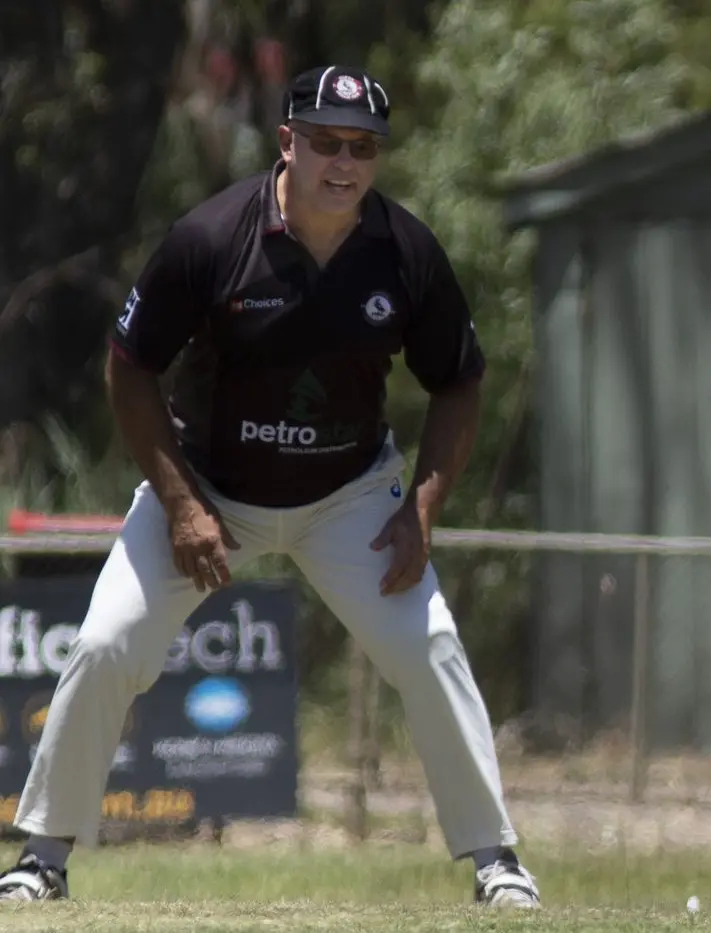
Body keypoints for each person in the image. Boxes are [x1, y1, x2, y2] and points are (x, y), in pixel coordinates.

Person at [0, 65, 540, 909]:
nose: (344, 162)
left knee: (428, 647)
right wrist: (180, 504)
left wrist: (420, 513)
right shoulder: (211, 239)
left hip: (351, 496)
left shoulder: (405, 253)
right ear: (287, 141)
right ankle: (42, 858)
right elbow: (129, 368)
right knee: (107, 645)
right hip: (207, 488)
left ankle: (496, 860)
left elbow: (460, 383)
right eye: (326, 141)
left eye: (362, 147)